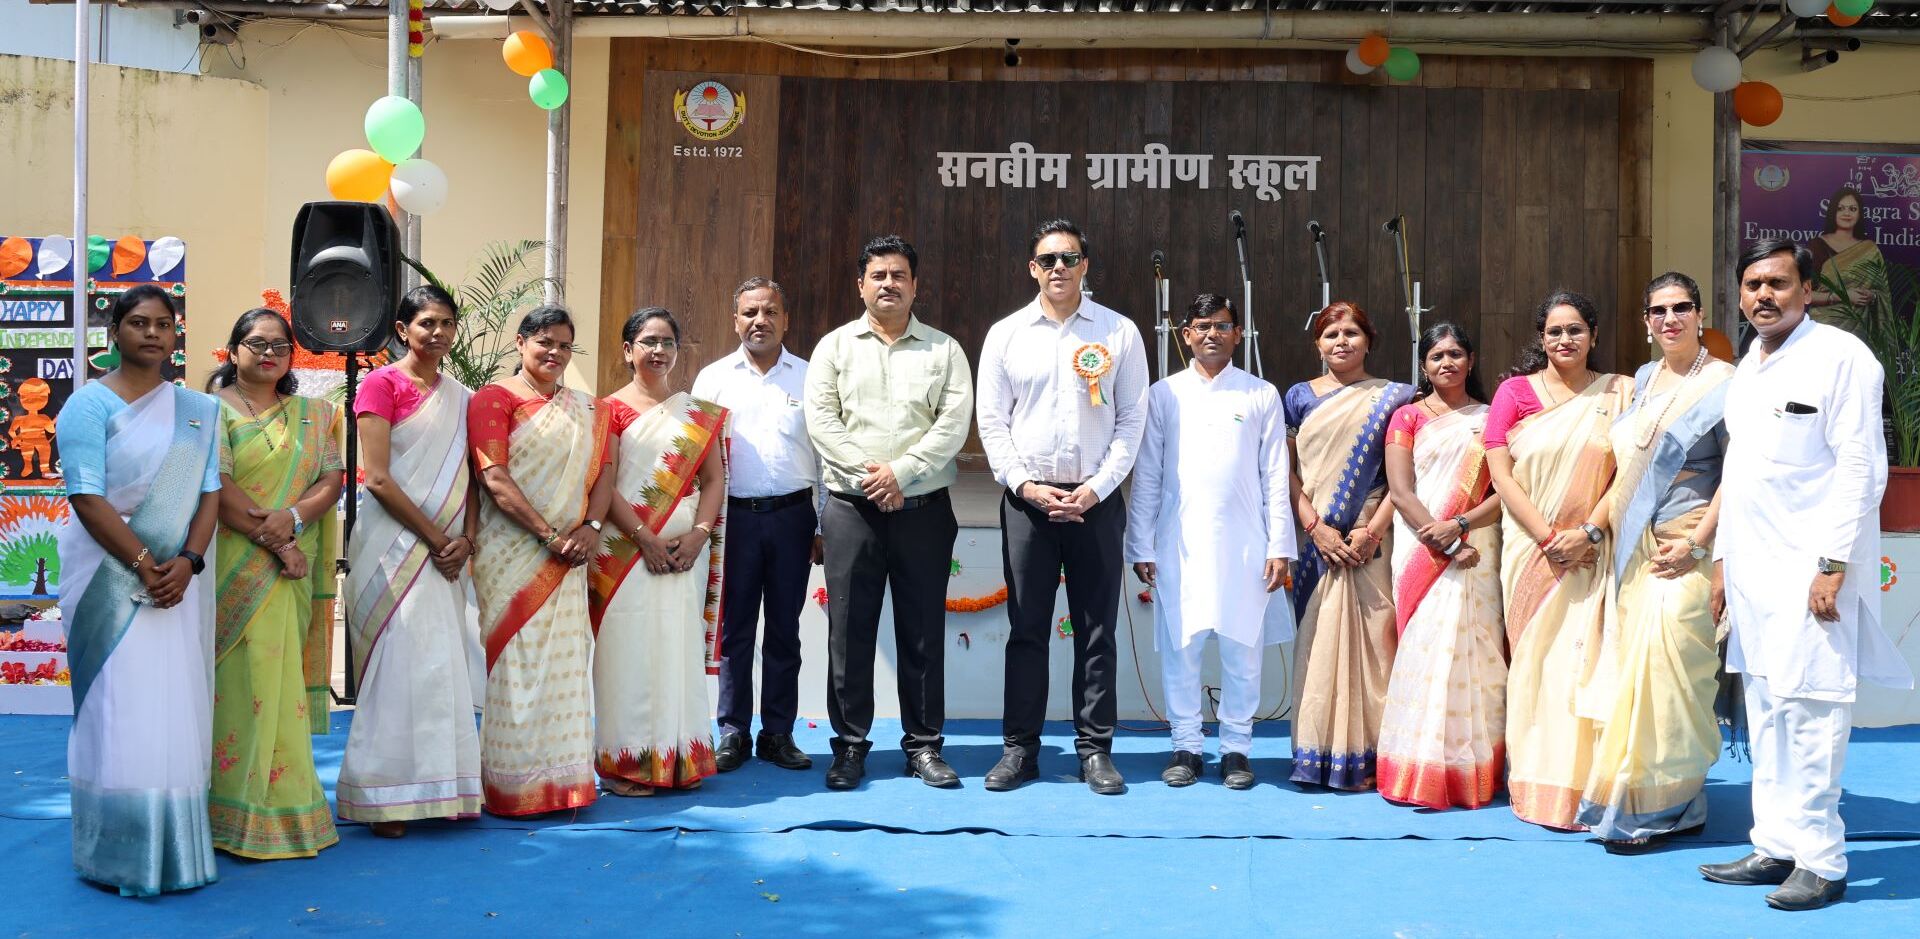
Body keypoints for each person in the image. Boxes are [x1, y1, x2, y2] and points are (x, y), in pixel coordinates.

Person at [1699, 239, 1913, 911]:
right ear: (1739, 294)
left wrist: (1833, 564)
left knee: (1813, 710)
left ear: (1808, 289)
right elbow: (1738, 475)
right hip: (1753, 574)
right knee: (1765, 715)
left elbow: (1861, 469)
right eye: (1753, 284)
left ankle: (1822, 862)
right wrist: (1721, 563)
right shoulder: (1748, 370)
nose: (1764, 294)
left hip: (1813, 571)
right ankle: (1776, 844)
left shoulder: (1842, 358)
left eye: (1779, 283)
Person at [58, 286, 221, 896]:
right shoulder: (87, 406)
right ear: (115, 333)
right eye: (137, 323)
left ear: (175, 334)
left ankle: (173, 847)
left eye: (163, 324)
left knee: (170, 702)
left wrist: (188, 561)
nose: (152, 333)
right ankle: (118, 852)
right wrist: (146, 561)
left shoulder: (197, 410)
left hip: (176, 579)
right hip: (109, 572)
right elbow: (86, 496)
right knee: (117, 704)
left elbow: (207, 493)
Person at [976, 219, 1148, 795]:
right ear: (1032, 268)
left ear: (1085, 266)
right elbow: (992, 424)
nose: (1058, 268)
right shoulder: (1005, 335)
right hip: (1029, 505)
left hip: (1095, 504)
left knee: (1097, 630)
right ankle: (1020, 751)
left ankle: (1095, 750)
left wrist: (1097, 488)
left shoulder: (1118, 333)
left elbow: (1131, 421)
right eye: (1047, 259)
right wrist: (1024, 484)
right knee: (1027, 629)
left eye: (1069, 258)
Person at [804, 235, 973, 791]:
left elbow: (952, 426)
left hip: (924, 510)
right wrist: (873, 479)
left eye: (899, 275)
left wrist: (901, 475)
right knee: (850, 632)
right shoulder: (833, 349)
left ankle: (924, 746)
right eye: (878, 275)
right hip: (852, 513)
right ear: (861, 284)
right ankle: (850, 747)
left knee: (921, 630)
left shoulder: (944, 350)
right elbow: (823, 425)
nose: (889, 284)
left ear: (915, 285)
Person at [1575, 273, 1734, 853]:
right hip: (1633, 549)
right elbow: (1626, 469)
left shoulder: (1725, 383)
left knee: (1670, 673)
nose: (1671, 319)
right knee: (1631, 676)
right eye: (1659, 310)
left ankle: (1676, 800)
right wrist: (1596, 527)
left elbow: (1735, 474)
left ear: (1699, 315)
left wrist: (1698, 543)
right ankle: (1643, 799)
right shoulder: (1642, 380)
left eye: (1682, 308)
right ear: (1646, 322)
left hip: (1685, 546)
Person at [1125, 294, 1293, 791]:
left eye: (1223, 325)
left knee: (1244, 647)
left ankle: (1237, 749)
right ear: (1186, 335)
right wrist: (1142, 546)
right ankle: (1186, 746)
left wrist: (1279, 544)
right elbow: (1148, 476)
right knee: (1182, 647)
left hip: (1247, 543)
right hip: (1180, 541)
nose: (1212, 334)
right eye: (1202, 326)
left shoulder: (1260, 393)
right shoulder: (1163, 394)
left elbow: (1275, 474)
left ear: (1239, 334)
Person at [337, 285, 482, 836]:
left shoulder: (462, 396)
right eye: (427, 323)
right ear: (403, 330)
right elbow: (376, 477)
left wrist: (464, 539)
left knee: (440, 662)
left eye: (447, 323)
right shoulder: (381, 384)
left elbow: (472, 476)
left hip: (446, 547)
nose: (438, 333)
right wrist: (435, 539)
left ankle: (441, 791)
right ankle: (385, 797)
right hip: (393, 542)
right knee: (396, 661)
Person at [1484, 290, 1631, 831]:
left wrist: (1589, 532)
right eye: (1554, 331)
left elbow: (1630, 474)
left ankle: (1589, 785)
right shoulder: (1513, 393)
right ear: (1540, 337)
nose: (1564, 340)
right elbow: (1501, 475)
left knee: (1586, 663)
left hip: (1594, 549)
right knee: (1538, 664)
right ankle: (1538, 783)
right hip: (1531, 550)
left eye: (1575, 330)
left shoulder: (1620, 392)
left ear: (1592, 335)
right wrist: (1551, 538)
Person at [207, 308, 343, 858]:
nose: (268, 354)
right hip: (236, 563)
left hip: (292, 570)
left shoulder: (316, 413)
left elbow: (332, 479)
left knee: (280, 681)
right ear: (233, 349)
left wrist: (297, 520)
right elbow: (213, 484)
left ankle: (286, 810)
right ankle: (229, 810)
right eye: (256, 343)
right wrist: (279, 540)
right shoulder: (208, 412)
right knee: (238, 685)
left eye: (280, 347)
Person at [467, 306, 614, 816]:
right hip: (513, 553)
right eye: (544, 342)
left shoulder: (589, 409)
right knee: (516, 664)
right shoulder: (495, 399)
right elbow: (494, 478)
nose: (554, 353)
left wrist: (590, 529)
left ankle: (564, 782)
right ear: (520, 343)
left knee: (565, 665)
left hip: (573, 555)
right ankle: (511, 785)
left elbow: (604, 479)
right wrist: (551, 536)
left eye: (564, 345)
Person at [589, 308, 728, 795]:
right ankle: (628, 765)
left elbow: (714, 480)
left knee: (676, 651)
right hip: (625, 553)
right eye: (648, 341)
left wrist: (699, 535)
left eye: (667, 342)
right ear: (628, 350)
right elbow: (602, 484)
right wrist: (644, 539)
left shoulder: (697, 414)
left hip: (683, 553)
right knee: (626, 656)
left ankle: (679, 759)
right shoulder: (607, 410)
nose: (658, 350)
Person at [691, 278, 821, 774]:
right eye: (749, 313)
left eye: (769, 311)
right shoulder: (713, 379)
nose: (759, 321)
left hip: (793, 518)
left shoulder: (811, 377)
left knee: (785, 630)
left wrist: (823, 523)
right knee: (735, 631)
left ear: (786, 319)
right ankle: (732, 732)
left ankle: (778, 733)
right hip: (734, 520)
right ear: (735, 320)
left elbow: (826, 457)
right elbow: (698, 456)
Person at [1376, 323, 1507, 811]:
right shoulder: (1407, 417)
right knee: (1426, 651)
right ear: (1424, 366)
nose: (1446, 363)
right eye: (1436, 356)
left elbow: (1504, 493)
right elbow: (1401, 491)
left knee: (1477, 657)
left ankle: (1472, 770)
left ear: (1471, 360)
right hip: (1422, 546)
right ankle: (1419, 768)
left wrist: (1460, 525)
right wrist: (1444, 540)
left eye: (1455, 354)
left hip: (1478, 545)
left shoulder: (1494, 417)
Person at [1285, 302, 1414, 791]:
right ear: (1317, 345)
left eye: (1351, 332)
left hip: (1371, 537)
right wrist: (1315, 527)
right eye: (1331, 334)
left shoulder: (1396, 398)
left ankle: (1376, 757)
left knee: (1376, 643)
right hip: (1317, 541)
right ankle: (1316, 754)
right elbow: (1285, 472)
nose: (1341, 341)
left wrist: (1372, 531)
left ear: (1369, 340)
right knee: (1318, 644)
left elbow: (1405, 477)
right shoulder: (1298, 397)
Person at [1805, 186, 1888, 335]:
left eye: (1852, 209)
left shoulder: (1869, 250)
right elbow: (1803, 294)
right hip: (1823, 330)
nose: (1847, 213)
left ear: (1859, 214)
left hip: (1860, 330)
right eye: (1841, 208)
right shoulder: (1816, 246)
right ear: (1833, 212)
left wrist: (1872, 296)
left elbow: (1882, 292)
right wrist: (1842, 296)